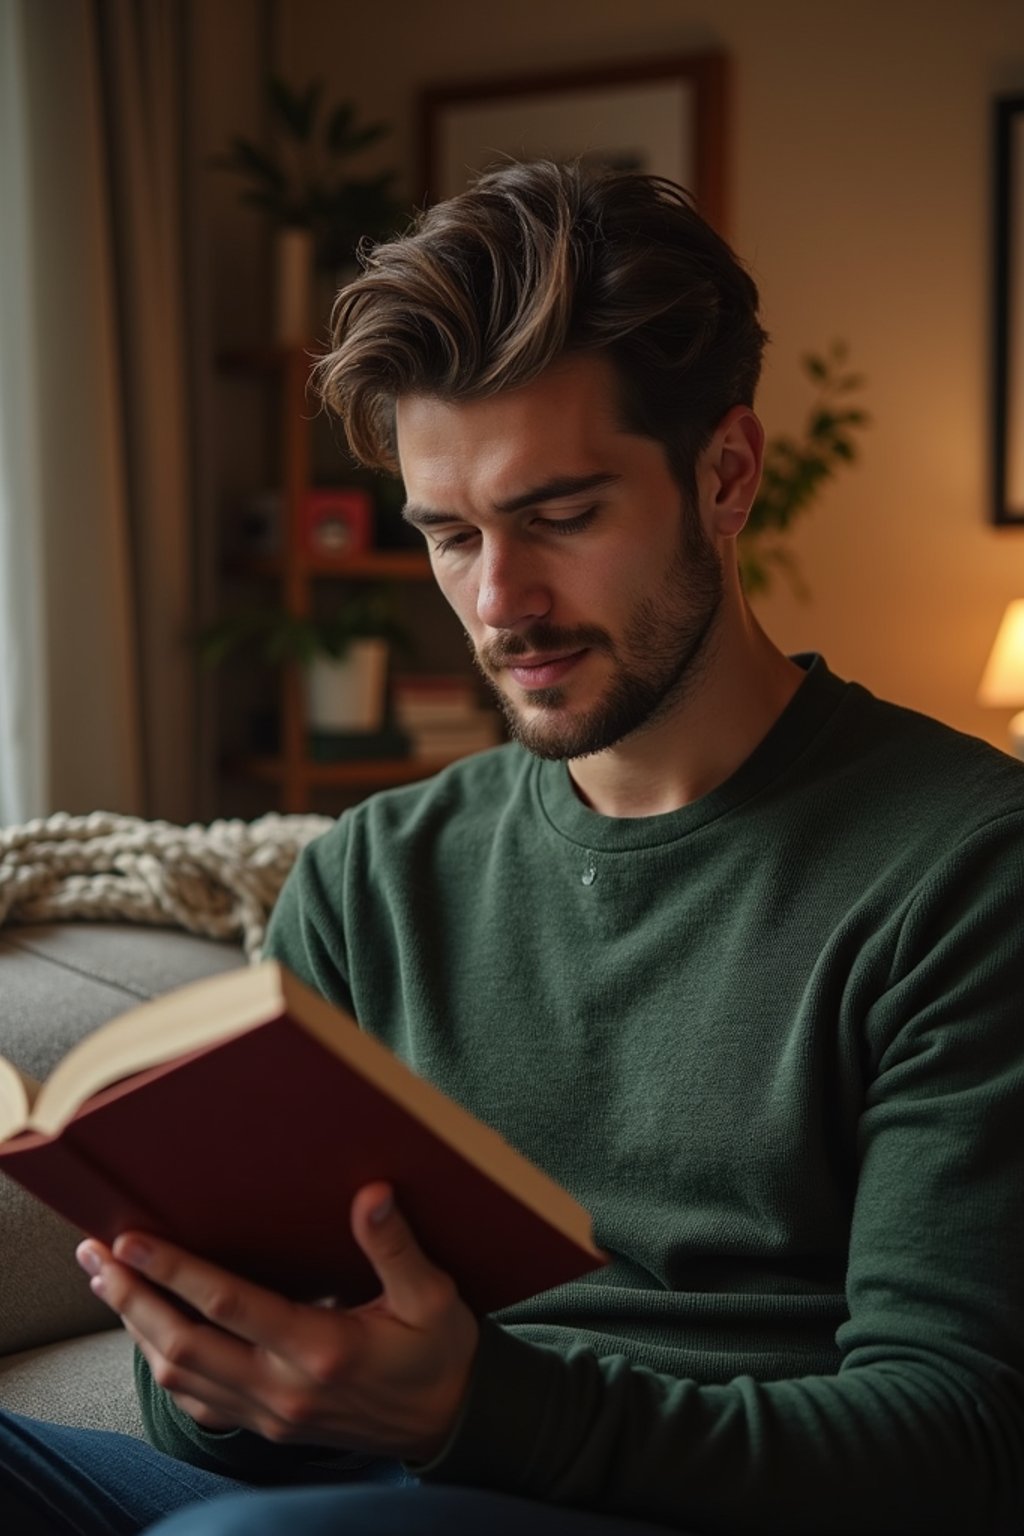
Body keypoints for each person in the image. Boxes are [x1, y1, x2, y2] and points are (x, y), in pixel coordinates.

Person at [3, 160, 1024, 1536]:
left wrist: (469, 1412)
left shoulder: (963, 866)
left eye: (560, 516)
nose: (500, 604)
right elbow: (226, 1419)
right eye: (450, 534)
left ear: (727, 475)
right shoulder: (373, 877)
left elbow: (955, 1447)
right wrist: (212, 1372)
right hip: (369, 1492)